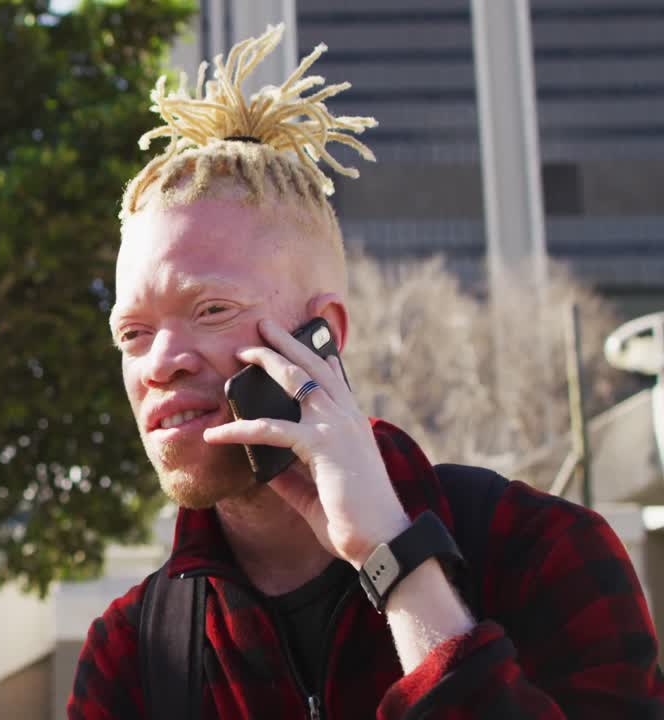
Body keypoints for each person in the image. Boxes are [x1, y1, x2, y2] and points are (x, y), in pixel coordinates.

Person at [67, 24, 664, 719]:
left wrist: (400, 565)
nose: (161, 362)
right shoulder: (128, 654)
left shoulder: (544, 552)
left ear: (324, 335)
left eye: (211, 308)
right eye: (132, 333)